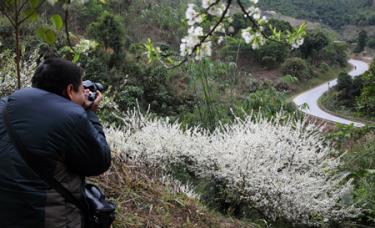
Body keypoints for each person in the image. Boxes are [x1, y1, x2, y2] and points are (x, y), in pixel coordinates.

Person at [0, 58, 111, 228]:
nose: (84, 94)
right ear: (69, 90)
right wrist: (90, 114)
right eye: (81, 89)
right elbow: (99, 162)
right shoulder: (73, 117)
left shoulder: (5, 105)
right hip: (48, 218)